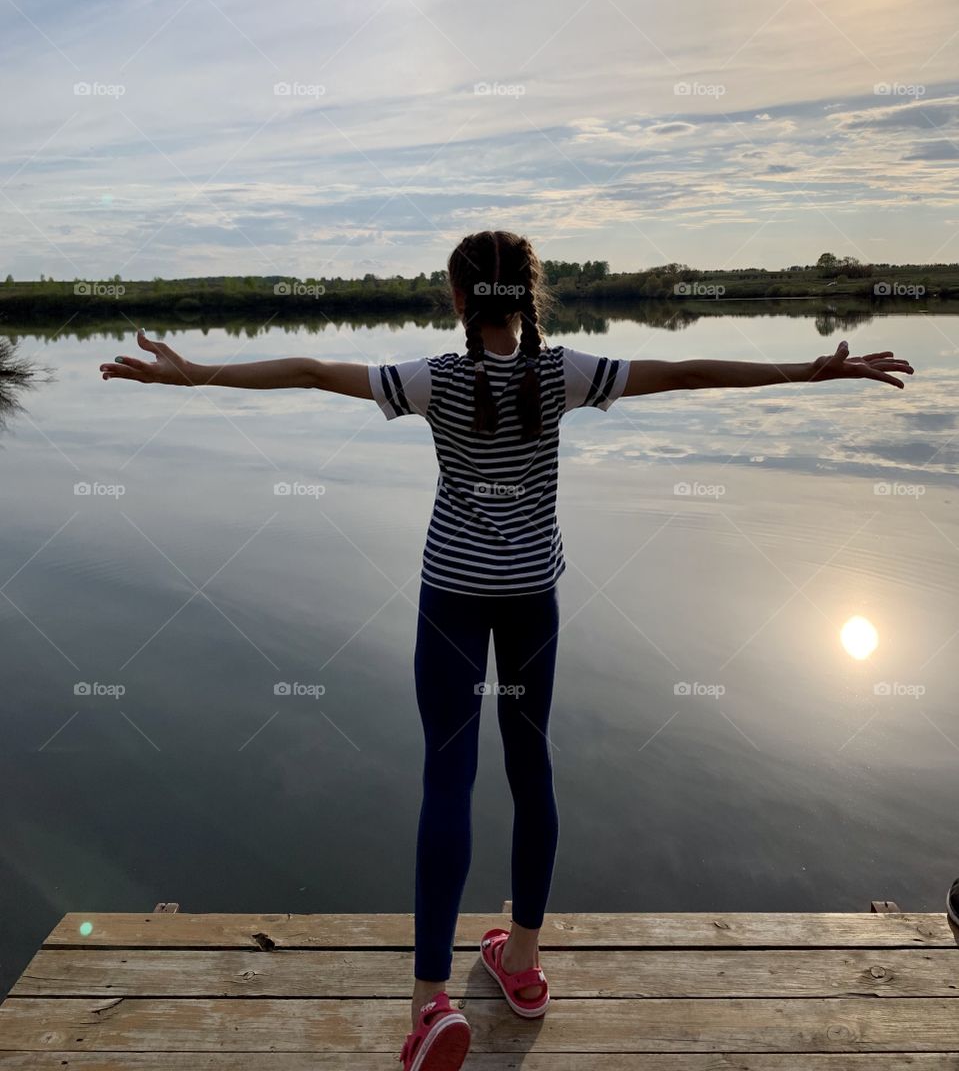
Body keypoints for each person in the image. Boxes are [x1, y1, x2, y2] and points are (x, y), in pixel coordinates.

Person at [99, 230, 914, 1070]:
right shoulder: (563, 373)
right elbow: (682, 373)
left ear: (456, 300)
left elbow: (308, 370)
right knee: (533, 769)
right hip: (532, 596)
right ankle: (520, 962)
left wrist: (192, 373)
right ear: (533, 296)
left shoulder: (432, 379)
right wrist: (805, 371)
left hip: (452, 596)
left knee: (446, 780)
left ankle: (428, 1006)